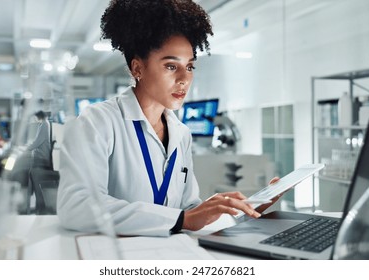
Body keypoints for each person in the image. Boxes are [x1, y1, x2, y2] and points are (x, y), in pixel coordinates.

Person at [57, 0, 281, 236]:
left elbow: (188, 209)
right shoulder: (98, 122)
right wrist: (183, 218)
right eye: (171, 67)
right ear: (137, 69)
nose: (185, 78)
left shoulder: (180, 133)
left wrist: (244, 211)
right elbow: (76, 206)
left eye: (190, 66)